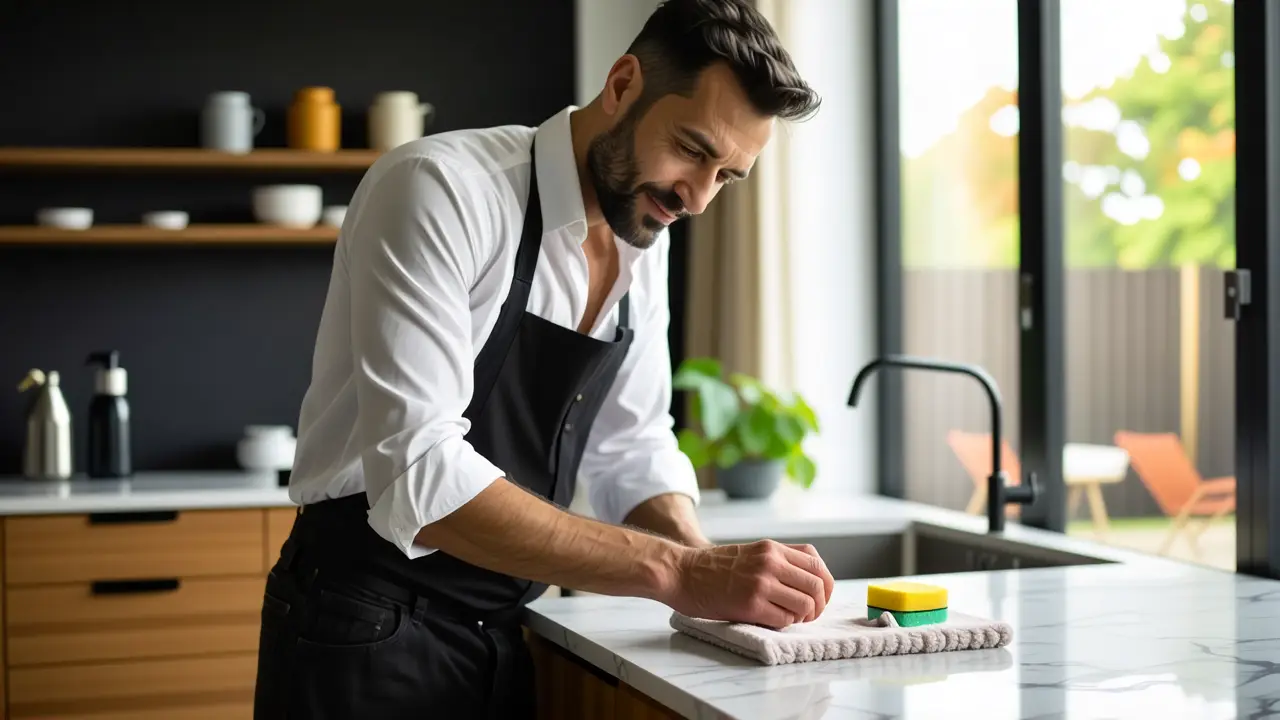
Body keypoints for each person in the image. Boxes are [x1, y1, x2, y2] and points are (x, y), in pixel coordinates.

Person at [252, 0, 831, 717]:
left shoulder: (644, 230)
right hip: (360, 626)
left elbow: (630, 448)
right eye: (692, 149)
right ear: (622, 84)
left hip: (505, 632)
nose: (699, 198)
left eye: (727, 176)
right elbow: (420, 473)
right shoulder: (441, 190)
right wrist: (681, 570)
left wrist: (708, 565)